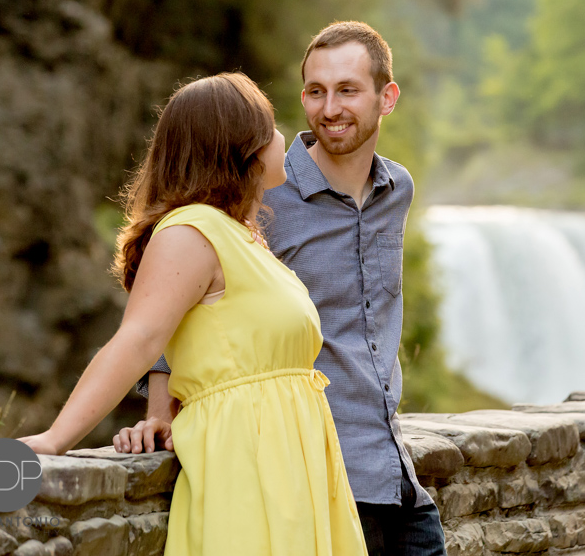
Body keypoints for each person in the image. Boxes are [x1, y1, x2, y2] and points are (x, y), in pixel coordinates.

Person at [119, 22, 449, 556]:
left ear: (386, 98)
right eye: (316, 91)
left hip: (394, 472)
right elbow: (178, 299)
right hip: (311, 471)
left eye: (347, 90)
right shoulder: (266, 191)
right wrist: (160, 411)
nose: (330, 107)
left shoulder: (397, 189)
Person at [20, 72, 367, 556]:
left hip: (296, 466)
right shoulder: (191, 232)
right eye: (269, 126)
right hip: (246, 470)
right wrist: (57, 439)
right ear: (241, 145)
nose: (283, 136)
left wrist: (166, 412)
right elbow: (138, 339)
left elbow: (221, 346)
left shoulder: (242, 233)